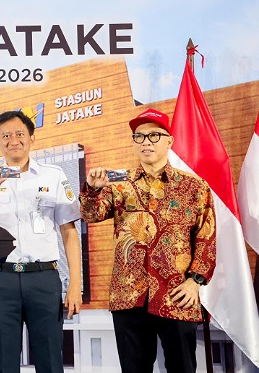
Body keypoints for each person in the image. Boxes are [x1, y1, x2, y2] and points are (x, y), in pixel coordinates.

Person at [79, 108, 216, 373]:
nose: (146, 142)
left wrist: (195, 281)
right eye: (139, 137)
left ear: (169, 141)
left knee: (182, 367)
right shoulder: (119, 184)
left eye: (154, 136)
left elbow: (206, 237)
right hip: (129, 295)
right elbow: (91, 215)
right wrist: (93, 189)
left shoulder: (194, 187)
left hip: (177, 295)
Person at [0, 110, 82, 373]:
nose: (13, 140)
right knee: (3, 362)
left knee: (50, 360)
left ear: (31, 137)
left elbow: (69, 232)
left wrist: (75, 285)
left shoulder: (53, 175)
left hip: (43, 278)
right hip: (0, 279)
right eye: (6, 136)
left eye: (20, 134)